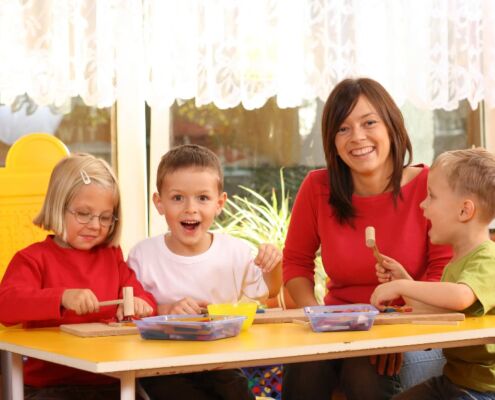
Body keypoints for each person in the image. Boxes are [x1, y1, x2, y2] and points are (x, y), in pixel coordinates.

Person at [282, 77, 453, 400]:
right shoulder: (317, 188)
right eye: (342, 129)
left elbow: (442, 273)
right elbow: (295, 262)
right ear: (332, 140)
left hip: (415, 328)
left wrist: (393, 334)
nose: (357, 137)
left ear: (391, 125)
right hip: (336, 328)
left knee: (366, 367)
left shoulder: (430, 186)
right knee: (306, 364)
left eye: (369, 122)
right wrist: (315, 319)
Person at [128, 144, 282, 400]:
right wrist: (166, 310)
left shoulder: (235, 251)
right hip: (161, 366)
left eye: (203, 197)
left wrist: (274, 264)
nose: (191, 208)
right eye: (178, 198)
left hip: (219, 363)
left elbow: (270, 290)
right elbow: (129, 314)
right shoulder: (142, 255)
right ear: (159, 203)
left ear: (219, 203)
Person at [0, 153, 157, 400]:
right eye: (84, 214)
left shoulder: (111, 256)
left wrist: (140, 304)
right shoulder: (32, 259)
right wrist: (61, 297)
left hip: (111, 381)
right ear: (57, 206)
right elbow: (6, 306)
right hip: (50, 387)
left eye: (105, 217)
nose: (95, 225)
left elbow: (144, 299)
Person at [371, 147, 495, 399]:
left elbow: (461, 298)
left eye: (432, 196)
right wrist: (403, 278)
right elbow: (441, 311)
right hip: (454, 381)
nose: (422, 204)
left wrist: (403, 288)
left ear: (464, 211)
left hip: (483, 391)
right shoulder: (457, 262)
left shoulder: (488, 260)